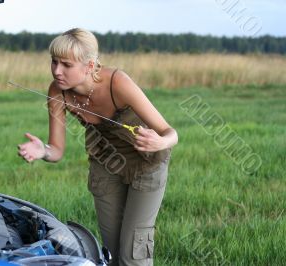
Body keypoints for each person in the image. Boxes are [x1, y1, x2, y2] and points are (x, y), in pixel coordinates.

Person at [17, 28, 178, 266]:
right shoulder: (57, 91)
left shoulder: (117, 82)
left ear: (89, 66)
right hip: (105, 161)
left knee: (133, 254)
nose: (57, 71)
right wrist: (43, 151)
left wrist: (161, 141)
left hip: (146, 162)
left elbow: (170, 132)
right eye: (54, 62)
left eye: (66, 65)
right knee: (110, 254)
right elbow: (57, 151)